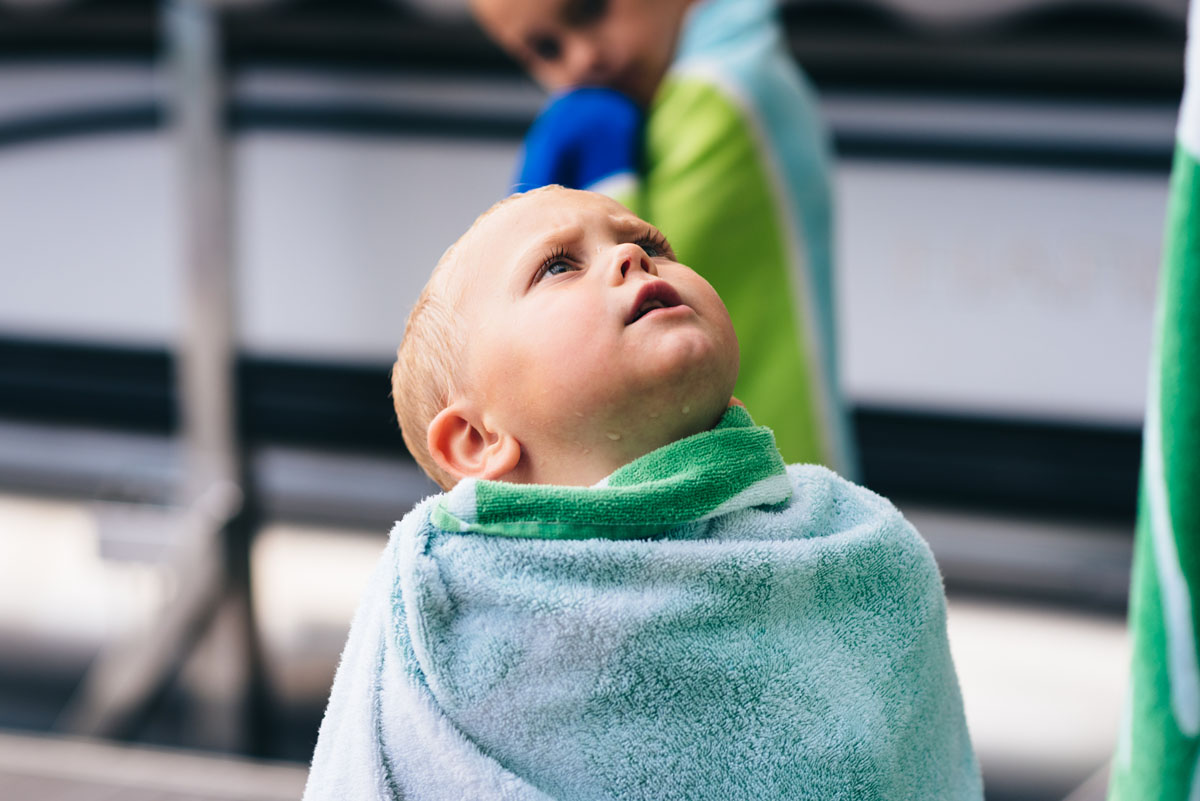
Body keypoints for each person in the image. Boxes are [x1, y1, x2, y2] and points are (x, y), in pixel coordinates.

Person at [302, 186, 980, 801]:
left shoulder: (855, 549)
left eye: (653, 244)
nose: (631, 255)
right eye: (558, 266)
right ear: (479, 441)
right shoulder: (440, 604)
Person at [472, 0, 857, 475]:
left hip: (778, 473)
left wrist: (594, 157)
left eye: (590, 11)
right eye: (547, 49)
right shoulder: (676, 92)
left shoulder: (722, 95)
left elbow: (627, 311)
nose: (583, 58)